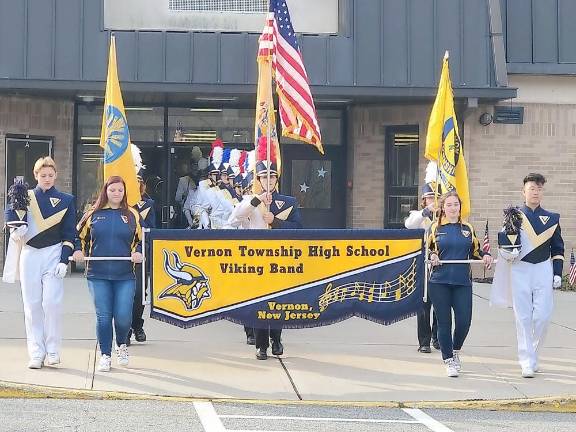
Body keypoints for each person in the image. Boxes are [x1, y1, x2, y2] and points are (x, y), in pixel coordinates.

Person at [227, 137, 303, 360]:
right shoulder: (250, 200)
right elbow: (234, 220)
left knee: (278, 300)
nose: (268, 180)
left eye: (271, 176)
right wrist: (256, 201)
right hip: (256, 258)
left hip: (280, 257)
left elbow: (299, 227)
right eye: (264, 176)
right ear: (258, 179)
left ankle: (276, 338)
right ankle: (261, 345)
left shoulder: (287, 202)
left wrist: (276, 221)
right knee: (259, 302)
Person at [3, 157, 76, 369]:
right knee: (32, 305)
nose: (47, 179)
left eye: (50, 175)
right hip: (30, 254)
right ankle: (36, 352)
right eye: (43, 175)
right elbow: (11, 218)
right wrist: (16, 231)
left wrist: (64, 260)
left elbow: (69, 234)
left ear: (56, 176)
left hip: (53, 253)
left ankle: (53, 350)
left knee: (51, 304)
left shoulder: (66, 200)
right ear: (36, 175)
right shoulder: (24, 196)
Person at [492, 173, 564, 378]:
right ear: (523, 191)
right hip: (520, 268)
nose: (536, 192)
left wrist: (557, 273)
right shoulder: (514, 216)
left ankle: (533, 355)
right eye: (532, 188)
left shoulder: (551, 218)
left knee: (543, 316)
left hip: (542, 267)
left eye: (539, 189)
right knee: (523, 317)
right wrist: (507, 252)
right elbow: (504, 242)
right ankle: (526, 361)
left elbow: (558, 248)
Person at [74, 176, 143, 372]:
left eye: (120, 190)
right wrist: (78, 250)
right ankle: (105, 354)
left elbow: (143, 239)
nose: (116, 193)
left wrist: (138, 252)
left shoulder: (132, 215)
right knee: (104, 316)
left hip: (125, 275)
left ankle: (121, 344)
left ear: (124, 192)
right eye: (112, 190)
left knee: (123, 317)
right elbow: (76, 235)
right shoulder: (92, 214)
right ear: (106, 191)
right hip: (98, 274)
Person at [427, 191, 493, 377]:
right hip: (439, 282)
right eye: (449, 205)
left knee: (464, 321)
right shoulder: (435, 228)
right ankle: (448, 360)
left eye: (456, 204)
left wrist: (486, 255)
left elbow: (477, 251)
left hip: (462, 282)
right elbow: (428, 250)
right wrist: (432, 256)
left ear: (460, 207)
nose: (453, 208)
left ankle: (455, 350)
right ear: (443, 208)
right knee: (444, 322)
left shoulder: (468, 228)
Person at [405, 162, 440, 353]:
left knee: (440, 305)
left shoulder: (445, 217)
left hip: (440, 263)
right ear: (423, 201)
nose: (433, 202)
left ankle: (437, 337)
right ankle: (424, 341)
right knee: (424, 304)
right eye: (429, 199)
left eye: (435, 199)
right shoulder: (419, 216)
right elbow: (409, 224)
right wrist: (426, 212)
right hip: (424, 263)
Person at [128, 172, 156, 345]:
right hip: (122, 252)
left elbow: (150, 229)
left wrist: (136, 215)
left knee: (139, 293)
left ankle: (138, 325)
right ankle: (126, 329)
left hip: (140, 254)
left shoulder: (148, 204)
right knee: (125, 294)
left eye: (138, 181)